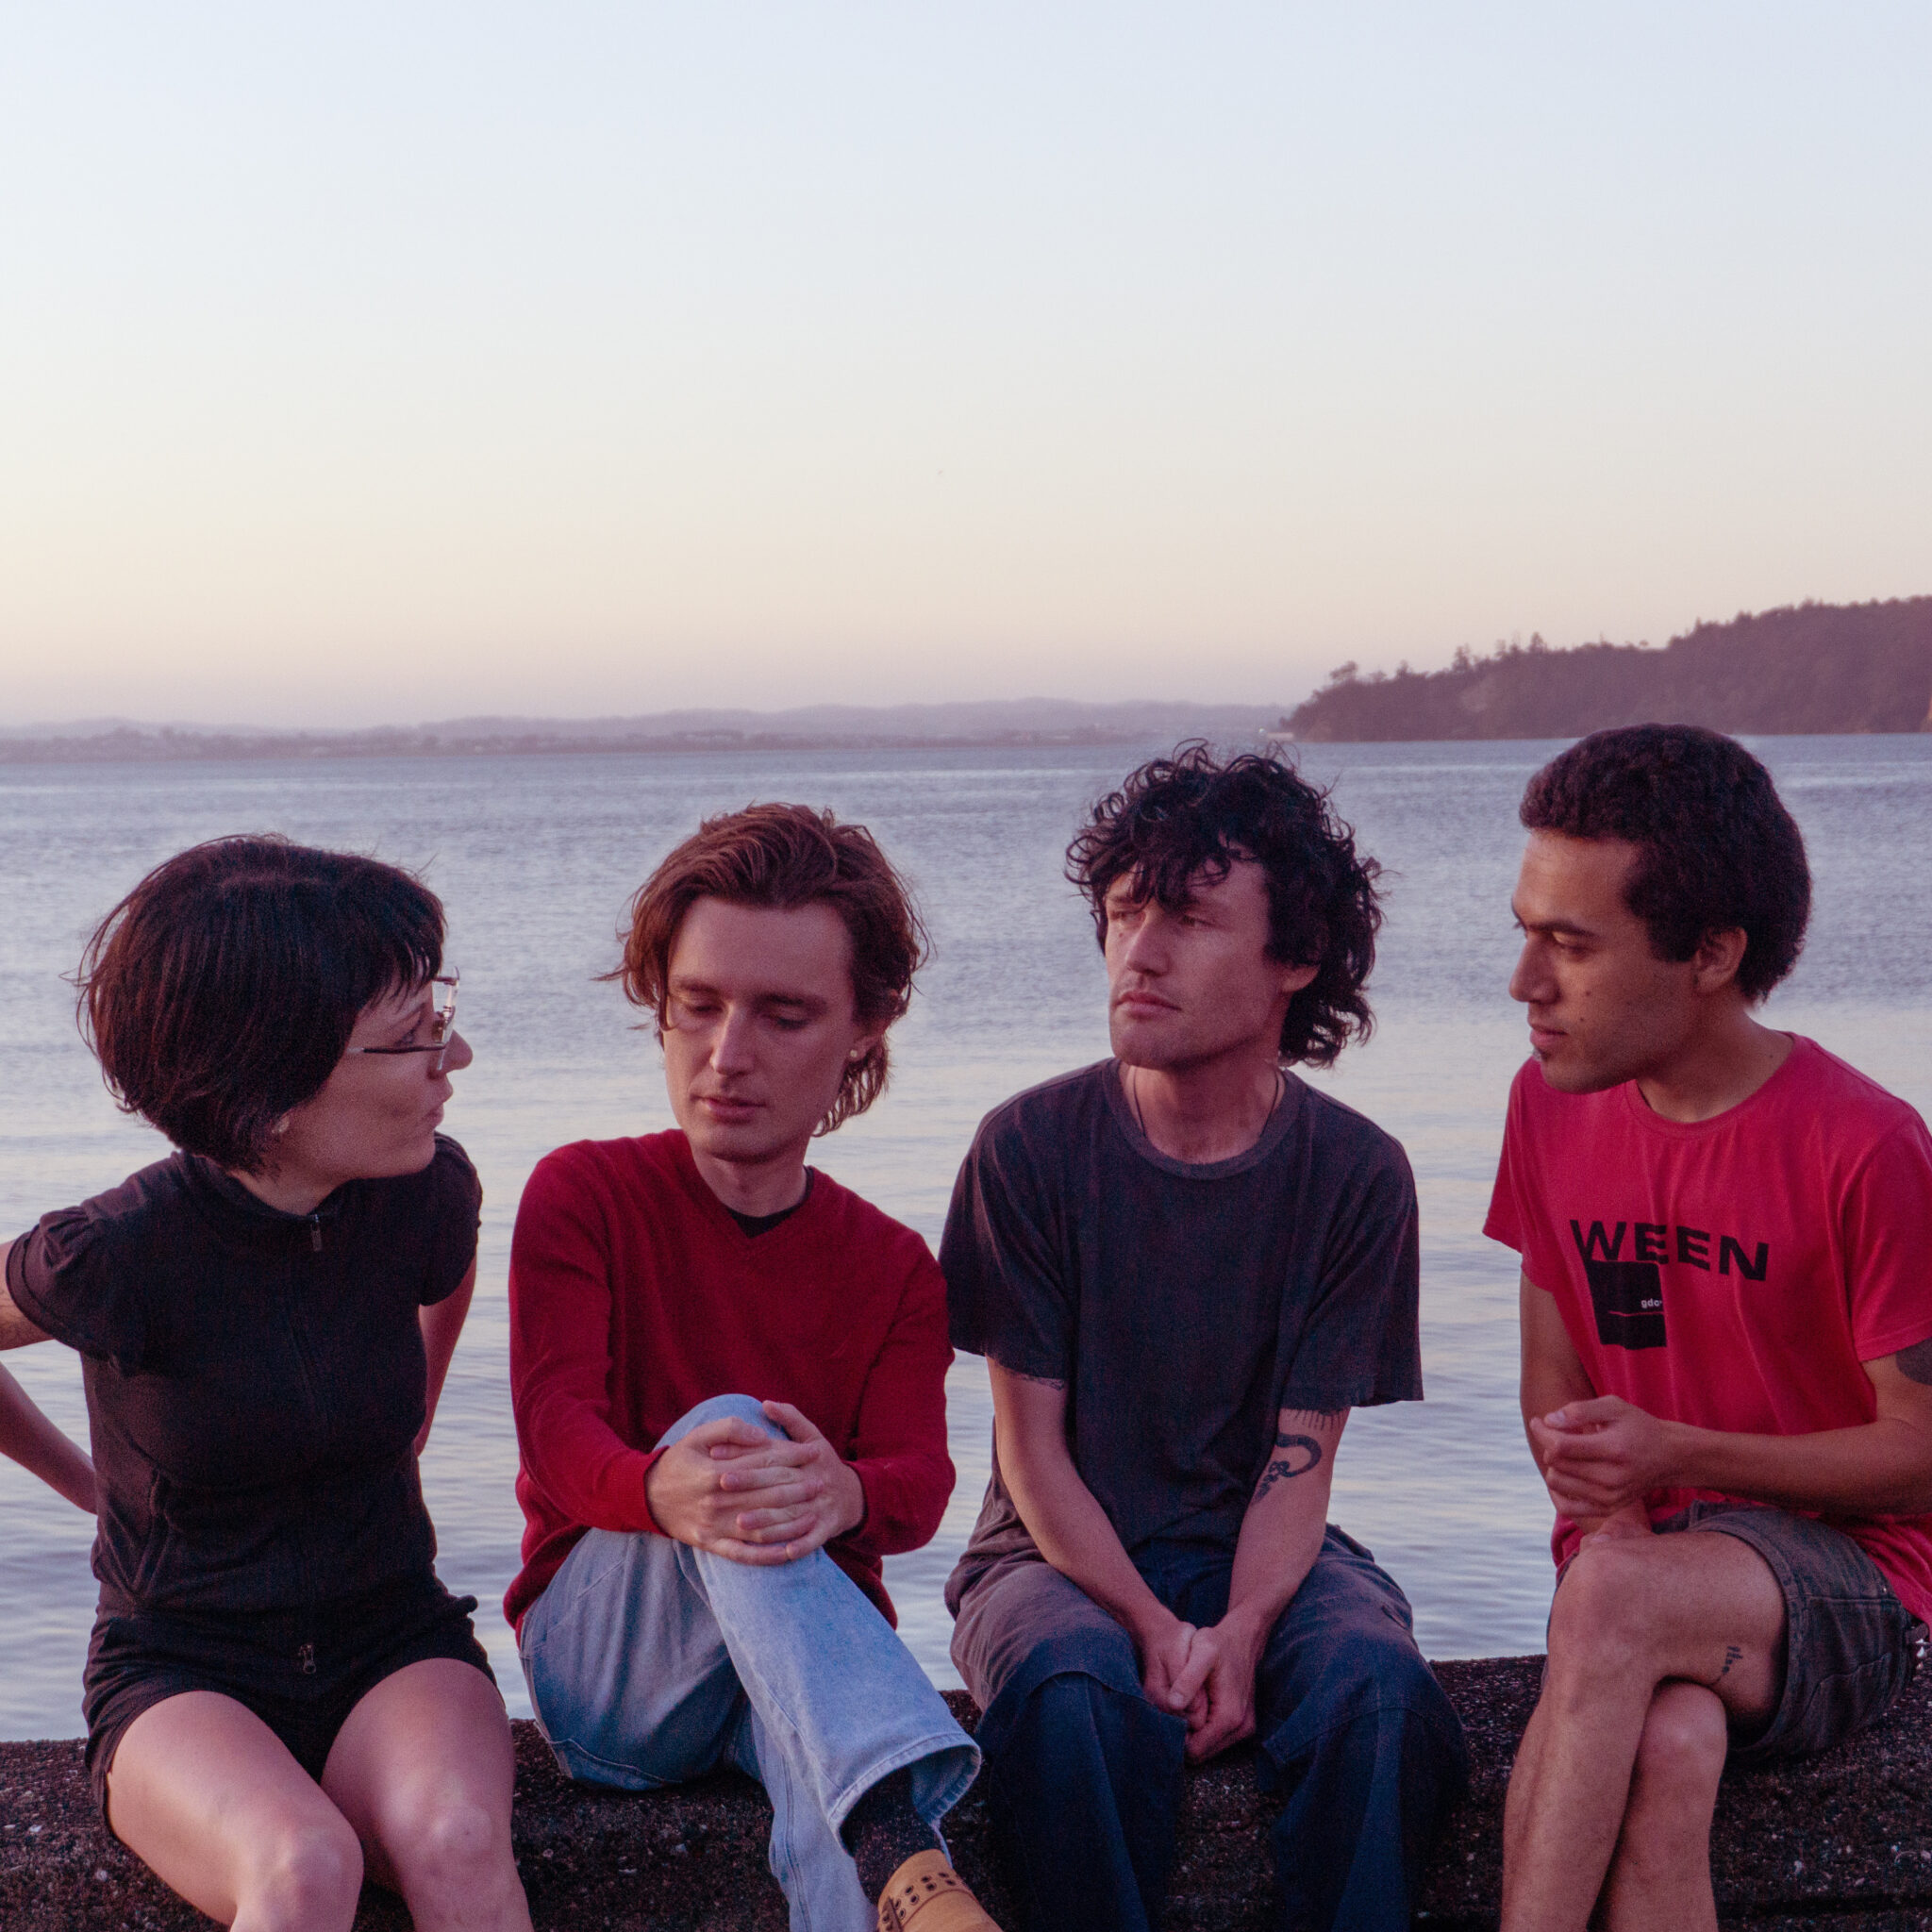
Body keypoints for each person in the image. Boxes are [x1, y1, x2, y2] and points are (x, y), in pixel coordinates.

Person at [941, 745, 1469, 1932]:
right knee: (1071, 1690)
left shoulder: (1355, 1172)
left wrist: (1238, 1628)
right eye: (1125, 911)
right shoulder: (1026, 1147)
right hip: (1046, 1555)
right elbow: (1030, 1452)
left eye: (1187, 916)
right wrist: (1148, 1623)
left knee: (1377, 1695)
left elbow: (1301, 1453)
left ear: (1295, 958)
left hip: (1267, 1544)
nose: (1139, 949)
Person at [0, 836, 531, 1932]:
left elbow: (453, 1263)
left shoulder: (427, 1190)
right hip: (181, 1664)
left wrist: (413, 1418)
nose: (456, 1054)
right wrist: (86, 1484)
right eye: (413, 1036)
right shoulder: (115, 1251)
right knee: (298, 1864)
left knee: (459, 1841)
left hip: (392, 1636)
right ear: (270, 1090)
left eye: (441, 1014)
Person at [507, 803, 999, 1932]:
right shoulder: (583, 1194)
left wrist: (851, 1490)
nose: (727, 1055)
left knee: (818, 1778)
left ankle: (891, 1866)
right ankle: (915, 1864)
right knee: (731, 1426)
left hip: (787, 1679)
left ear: (867, 1024)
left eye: (782, 1015)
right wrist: (660, 1489)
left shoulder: (892, 1265)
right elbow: (553, 1427)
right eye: (698, 1007)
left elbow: (921, 1484)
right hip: (612, 1677)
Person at [1488, 724, 1932, 1932]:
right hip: (1650, 1564)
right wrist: (1621, 1513)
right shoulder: (1546, 1103)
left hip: (1851, 1585)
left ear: (1712, 952)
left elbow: (1922, 1458)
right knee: (1668, 1747)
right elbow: (1553, 1381)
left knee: (1609, 1605)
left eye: (1569, 944)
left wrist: (1676, 1457)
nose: (1525, 981)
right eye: (1524, 930)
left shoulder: (1865, 1146)